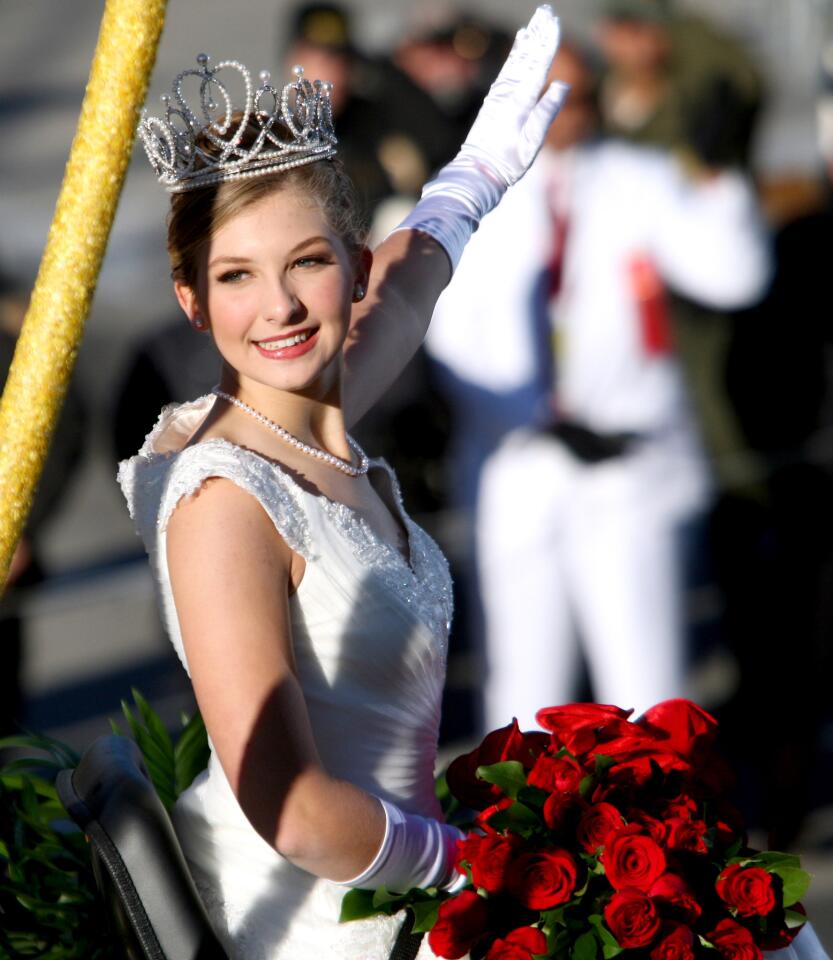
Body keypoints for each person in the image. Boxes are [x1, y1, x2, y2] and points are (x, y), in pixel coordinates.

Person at [118, 9, 568, 959]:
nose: (277, 306)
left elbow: (406, 294)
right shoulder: (223, 502)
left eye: (307, 263)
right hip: (333, 927)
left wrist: (472, 180)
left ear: (352, 268)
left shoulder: (311, 421)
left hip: (413, 888)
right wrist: (474, 864)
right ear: (192, 302)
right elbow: (294, 812)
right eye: (236, 276)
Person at [427, 41, 772, 733]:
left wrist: (719, 172)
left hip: (628, 465)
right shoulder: (473, 193)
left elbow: (733, 275)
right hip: (518, 466)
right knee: (522, 691)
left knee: (645, 686)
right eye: (547, 101)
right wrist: (530, 417)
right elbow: (442, 329)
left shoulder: (637, 179)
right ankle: (523, 841)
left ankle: (656, 833)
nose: (563, 116)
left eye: (578, 98)